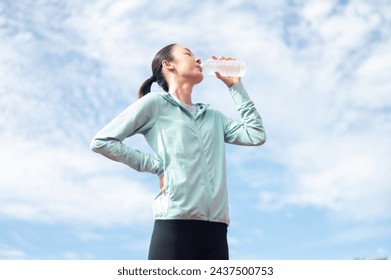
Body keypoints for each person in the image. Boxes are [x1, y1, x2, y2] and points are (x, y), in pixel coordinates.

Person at [90, 43, 266, 260]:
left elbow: (255, 135)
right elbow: (102, 141)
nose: (198, 60)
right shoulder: (155, 104)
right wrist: (157, 167)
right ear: (168, 64)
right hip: (175, 228)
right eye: (189, 54)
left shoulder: (213, 116)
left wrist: (235, 87)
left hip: (217, 232)